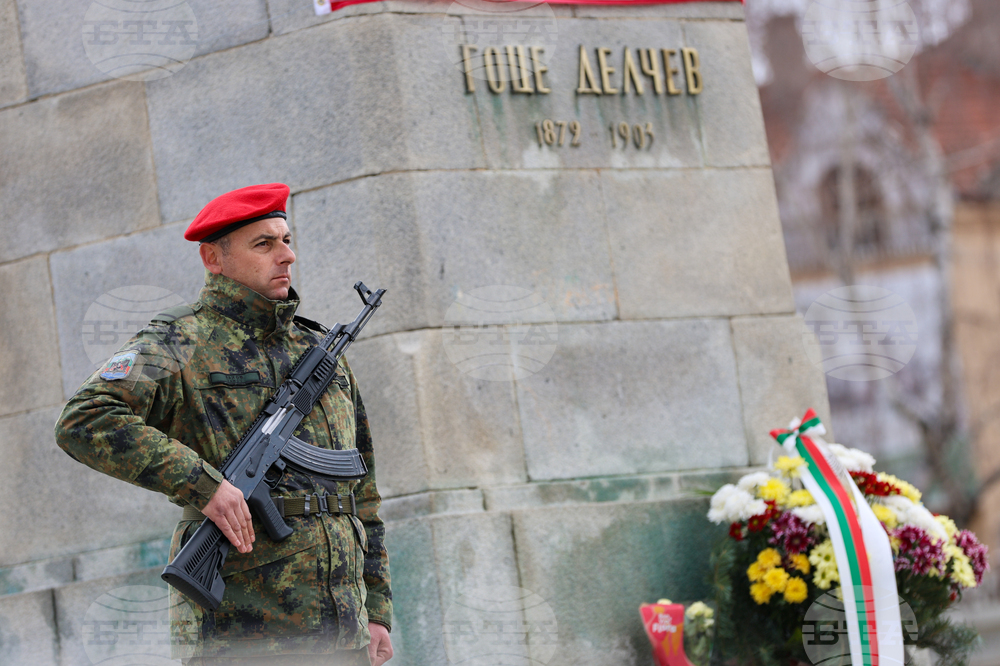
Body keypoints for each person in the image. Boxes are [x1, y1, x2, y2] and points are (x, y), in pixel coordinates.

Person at [54, 183, 393, 666]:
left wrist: (376, 609)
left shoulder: (318, 353)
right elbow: (84, 419)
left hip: (343, 632)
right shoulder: (180, 339)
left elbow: (363, 491)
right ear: (213, 257)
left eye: (287, 240)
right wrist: (204, 485)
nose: (287, 255)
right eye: (264, 244)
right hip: (243, 631)